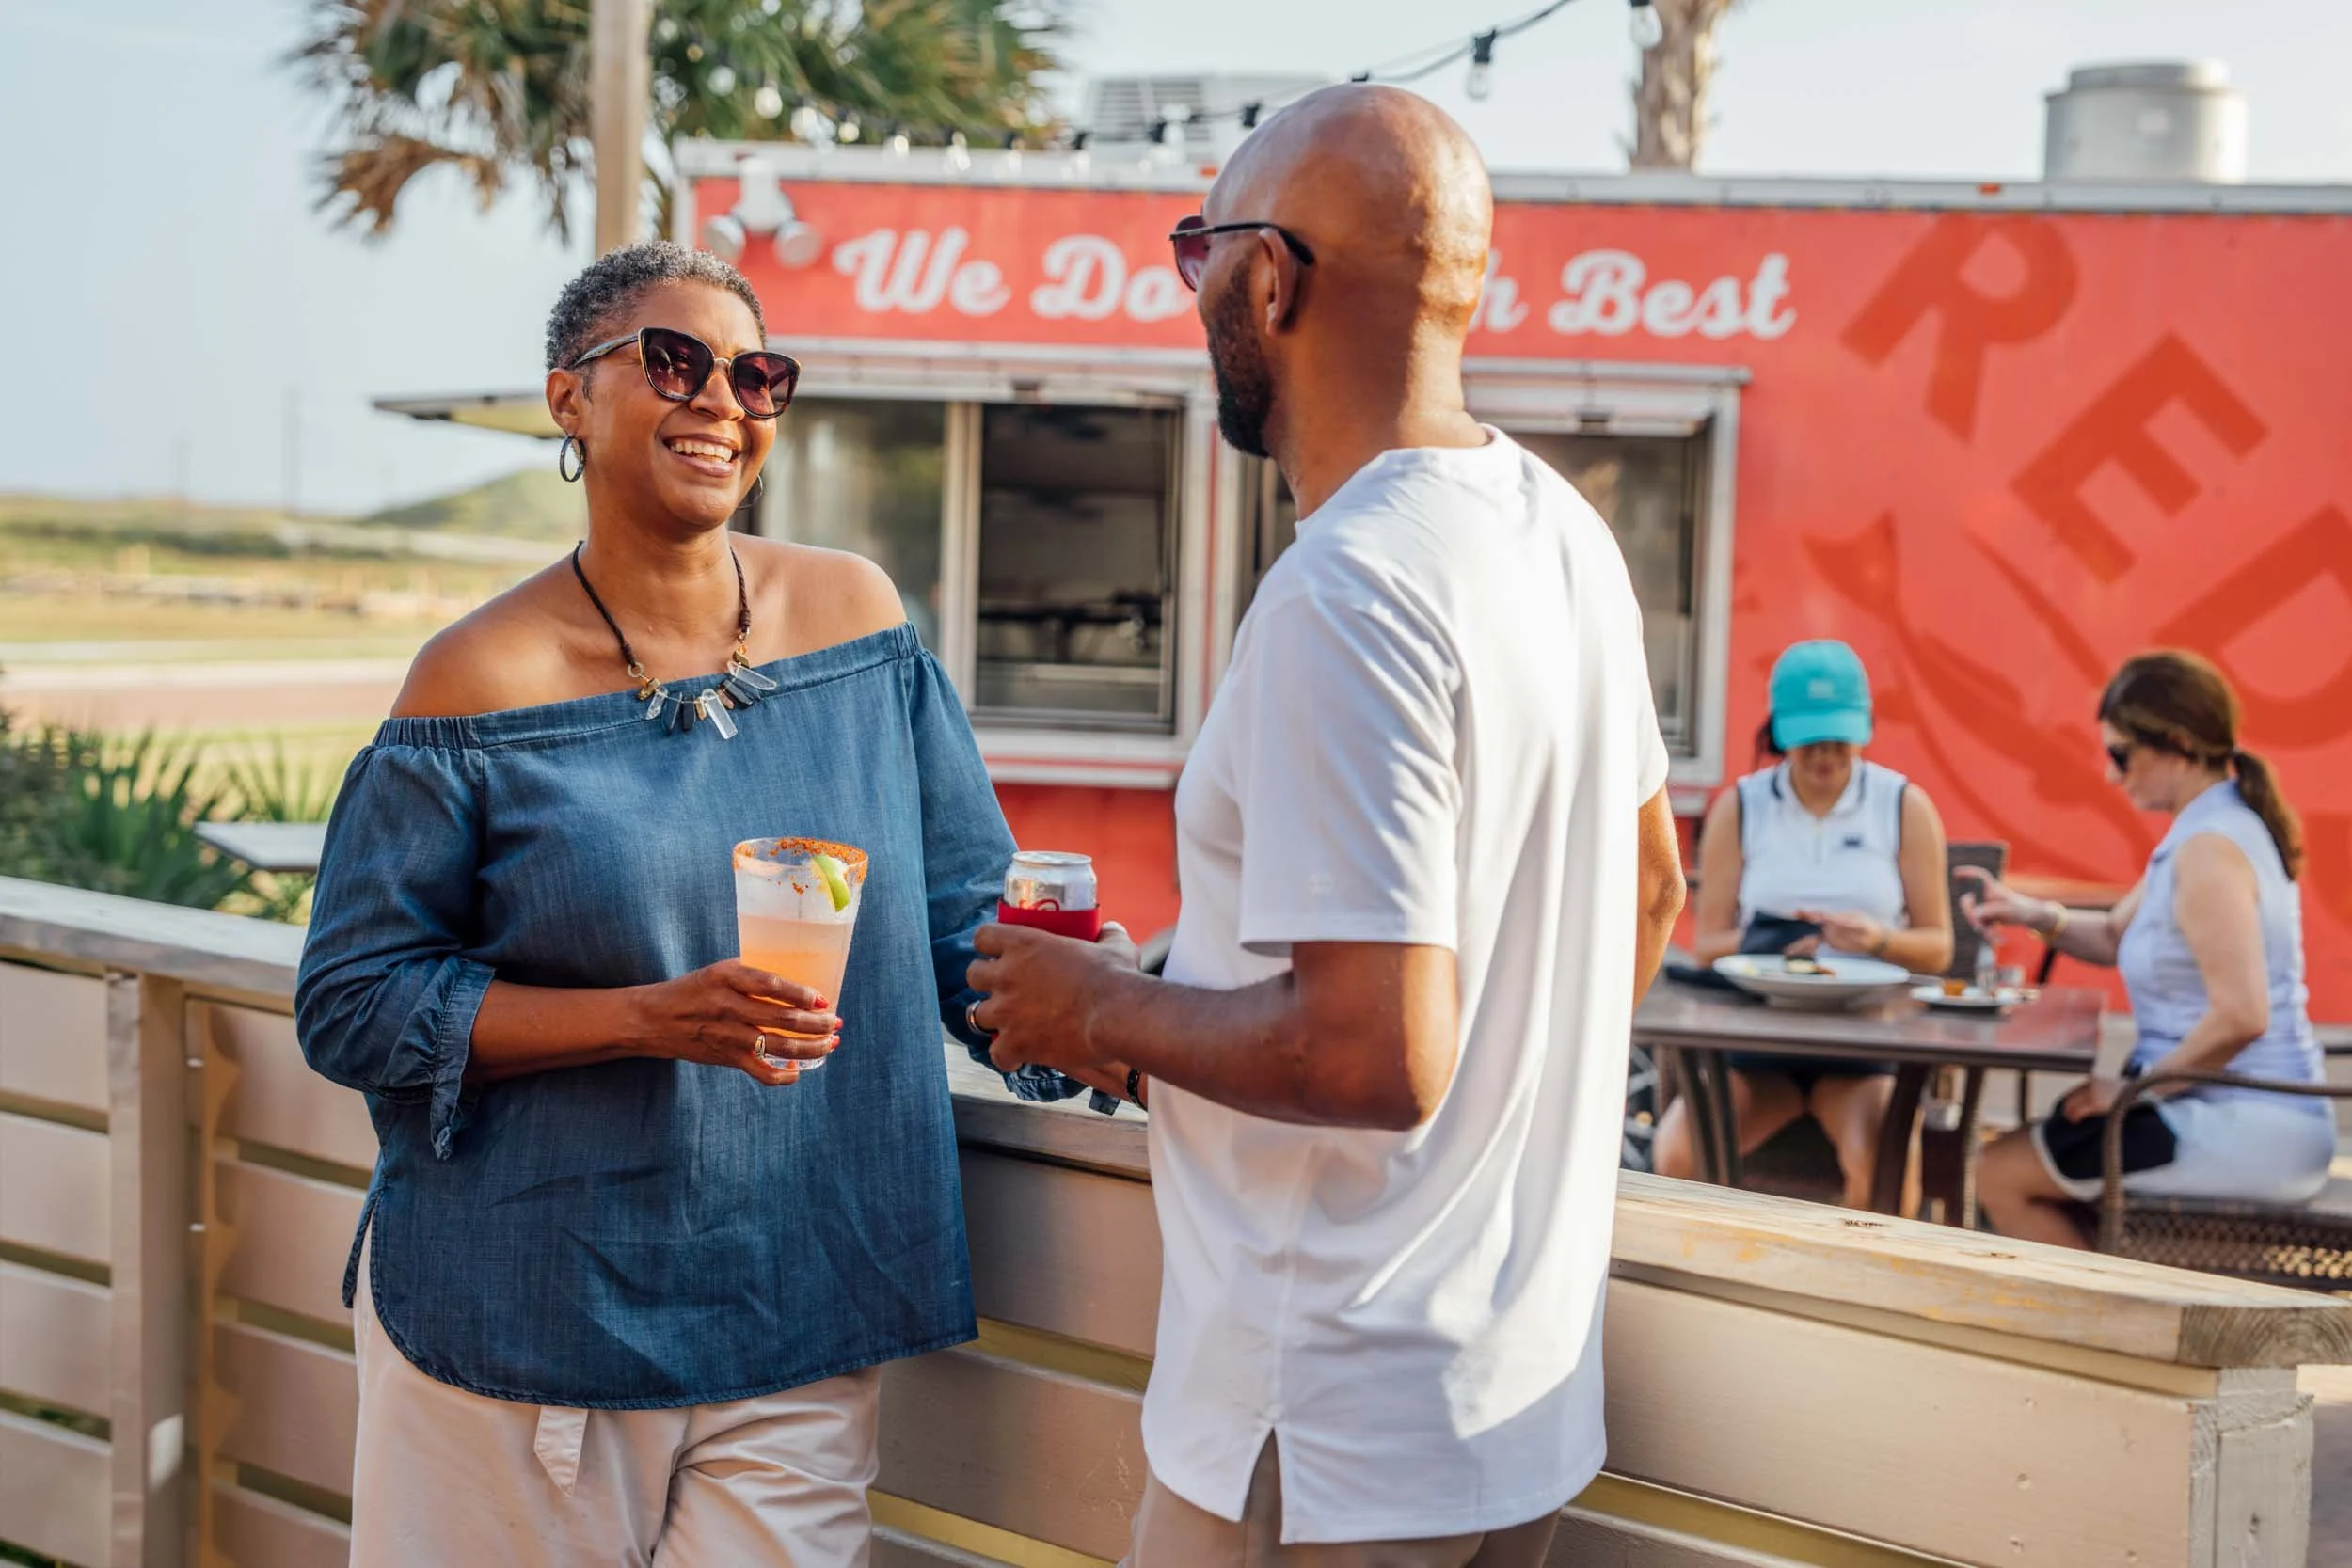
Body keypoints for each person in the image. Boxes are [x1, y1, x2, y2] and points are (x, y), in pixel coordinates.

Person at [965, 87, 1687, 1566]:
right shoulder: (1558, 531)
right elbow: (1655, 888)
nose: (1197, 291)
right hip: (1506, 1400)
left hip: (1325, 1426)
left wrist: (1101, 1001)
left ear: (1273, 277)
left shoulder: (1346, 591)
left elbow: (1373, 1051)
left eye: (1201, 250)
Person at [294, 241, 1086, 1566]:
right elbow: (353, 1000)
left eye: (755, 374)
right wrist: (648, 1016)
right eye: (672, 361)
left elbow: (958, 913)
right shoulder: (476, 678)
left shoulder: (860, 622)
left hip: (803, 1301)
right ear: (569, 399)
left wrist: (1104, 1003)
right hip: (531, 1314)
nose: (720, 396)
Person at [1968, 650, 2333, 1247]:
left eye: (2121, 754)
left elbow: (2242, 1015)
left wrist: (2133, 1091)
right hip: (2225, 1106)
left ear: (2178, 745)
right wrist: (2033, 914)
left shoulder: (2208, 852)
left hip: (2245, 1125)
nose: (2112, 775)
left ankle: (2096, 1331)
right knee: (2041, 1152)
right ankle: (2103, 1308)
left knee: (1997, 1173)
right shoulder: (2209, 827)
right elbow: (2114, 935)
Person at [1653, 640, 1954, 1209]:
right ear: (1780, 734)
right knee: (1675, 1153)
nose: (1825, 755)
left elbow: (1938, 948)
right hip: (1760, 1041)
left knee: (1887, 1168)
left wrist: (1879, 939)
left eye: (1839, 739)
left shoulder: (1903, 806)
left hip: (1862, 1041)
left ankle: (1849, 1296)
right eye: (1809, 740)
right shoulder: (1740, 807)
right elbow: (1708, 946)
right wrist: (1776, 941)